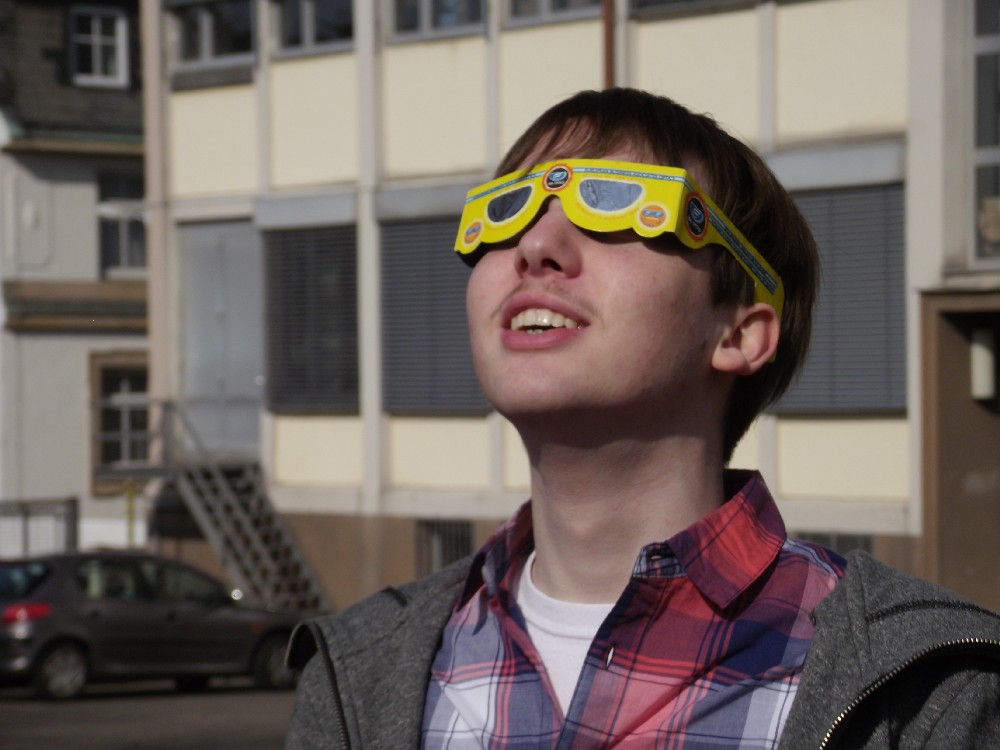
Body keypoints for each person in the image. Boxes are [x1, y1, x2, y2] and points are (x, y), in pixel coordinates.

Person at [284, 88, 1000, 749]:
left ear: (738, 333)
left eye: (616, 205)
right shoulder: (357, 676)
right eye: (506, 211)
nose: (534, 247)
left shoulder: (931, 692)